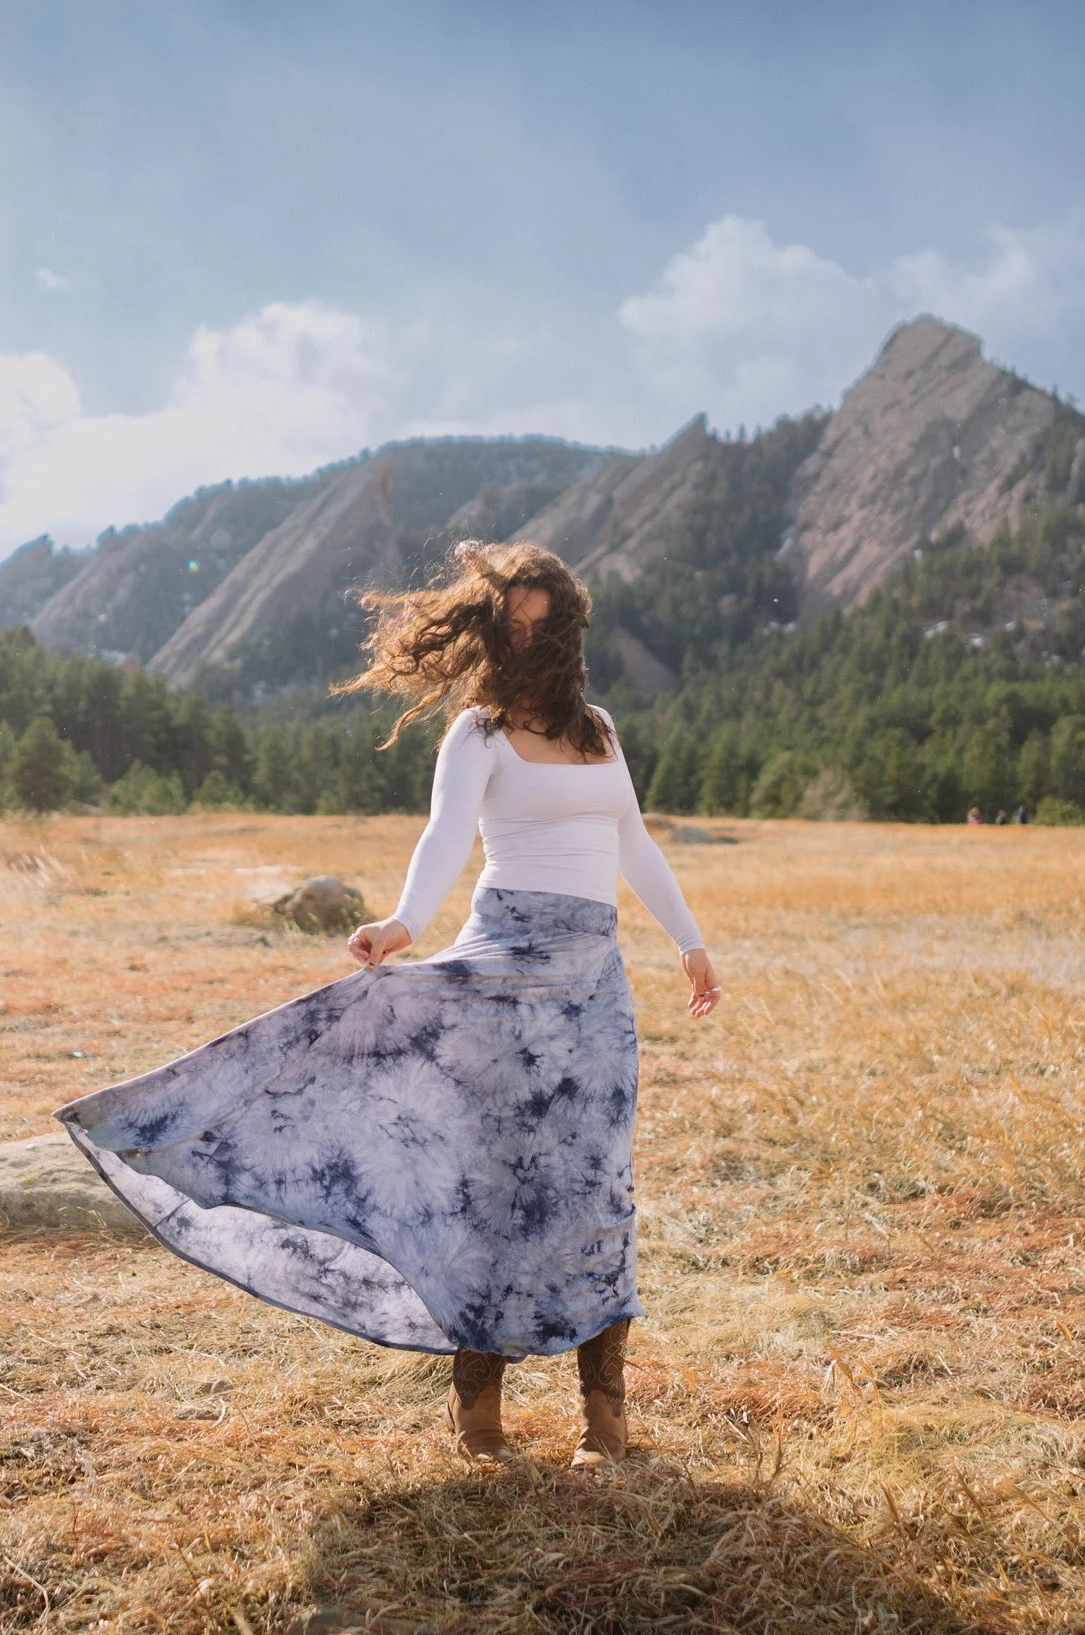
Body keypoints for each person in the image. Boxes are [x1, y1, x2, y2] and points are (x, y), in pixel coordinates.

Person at [53, 541, 721, 1468]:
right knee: (490, 1185)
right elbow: (447, 834)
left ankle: (603, 1413)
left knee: (596, 1186)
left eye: (544, 625)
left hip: (591, 985)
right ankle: (478, 1409)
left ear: (568, 631)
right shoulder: (478, 733)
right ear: (493, 634)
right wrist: (406, 922)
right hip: (499, 969)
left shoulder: (600, 729)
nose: (529, 640)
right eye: (512, 626)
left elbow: (635, 843)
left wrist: (689, 943)